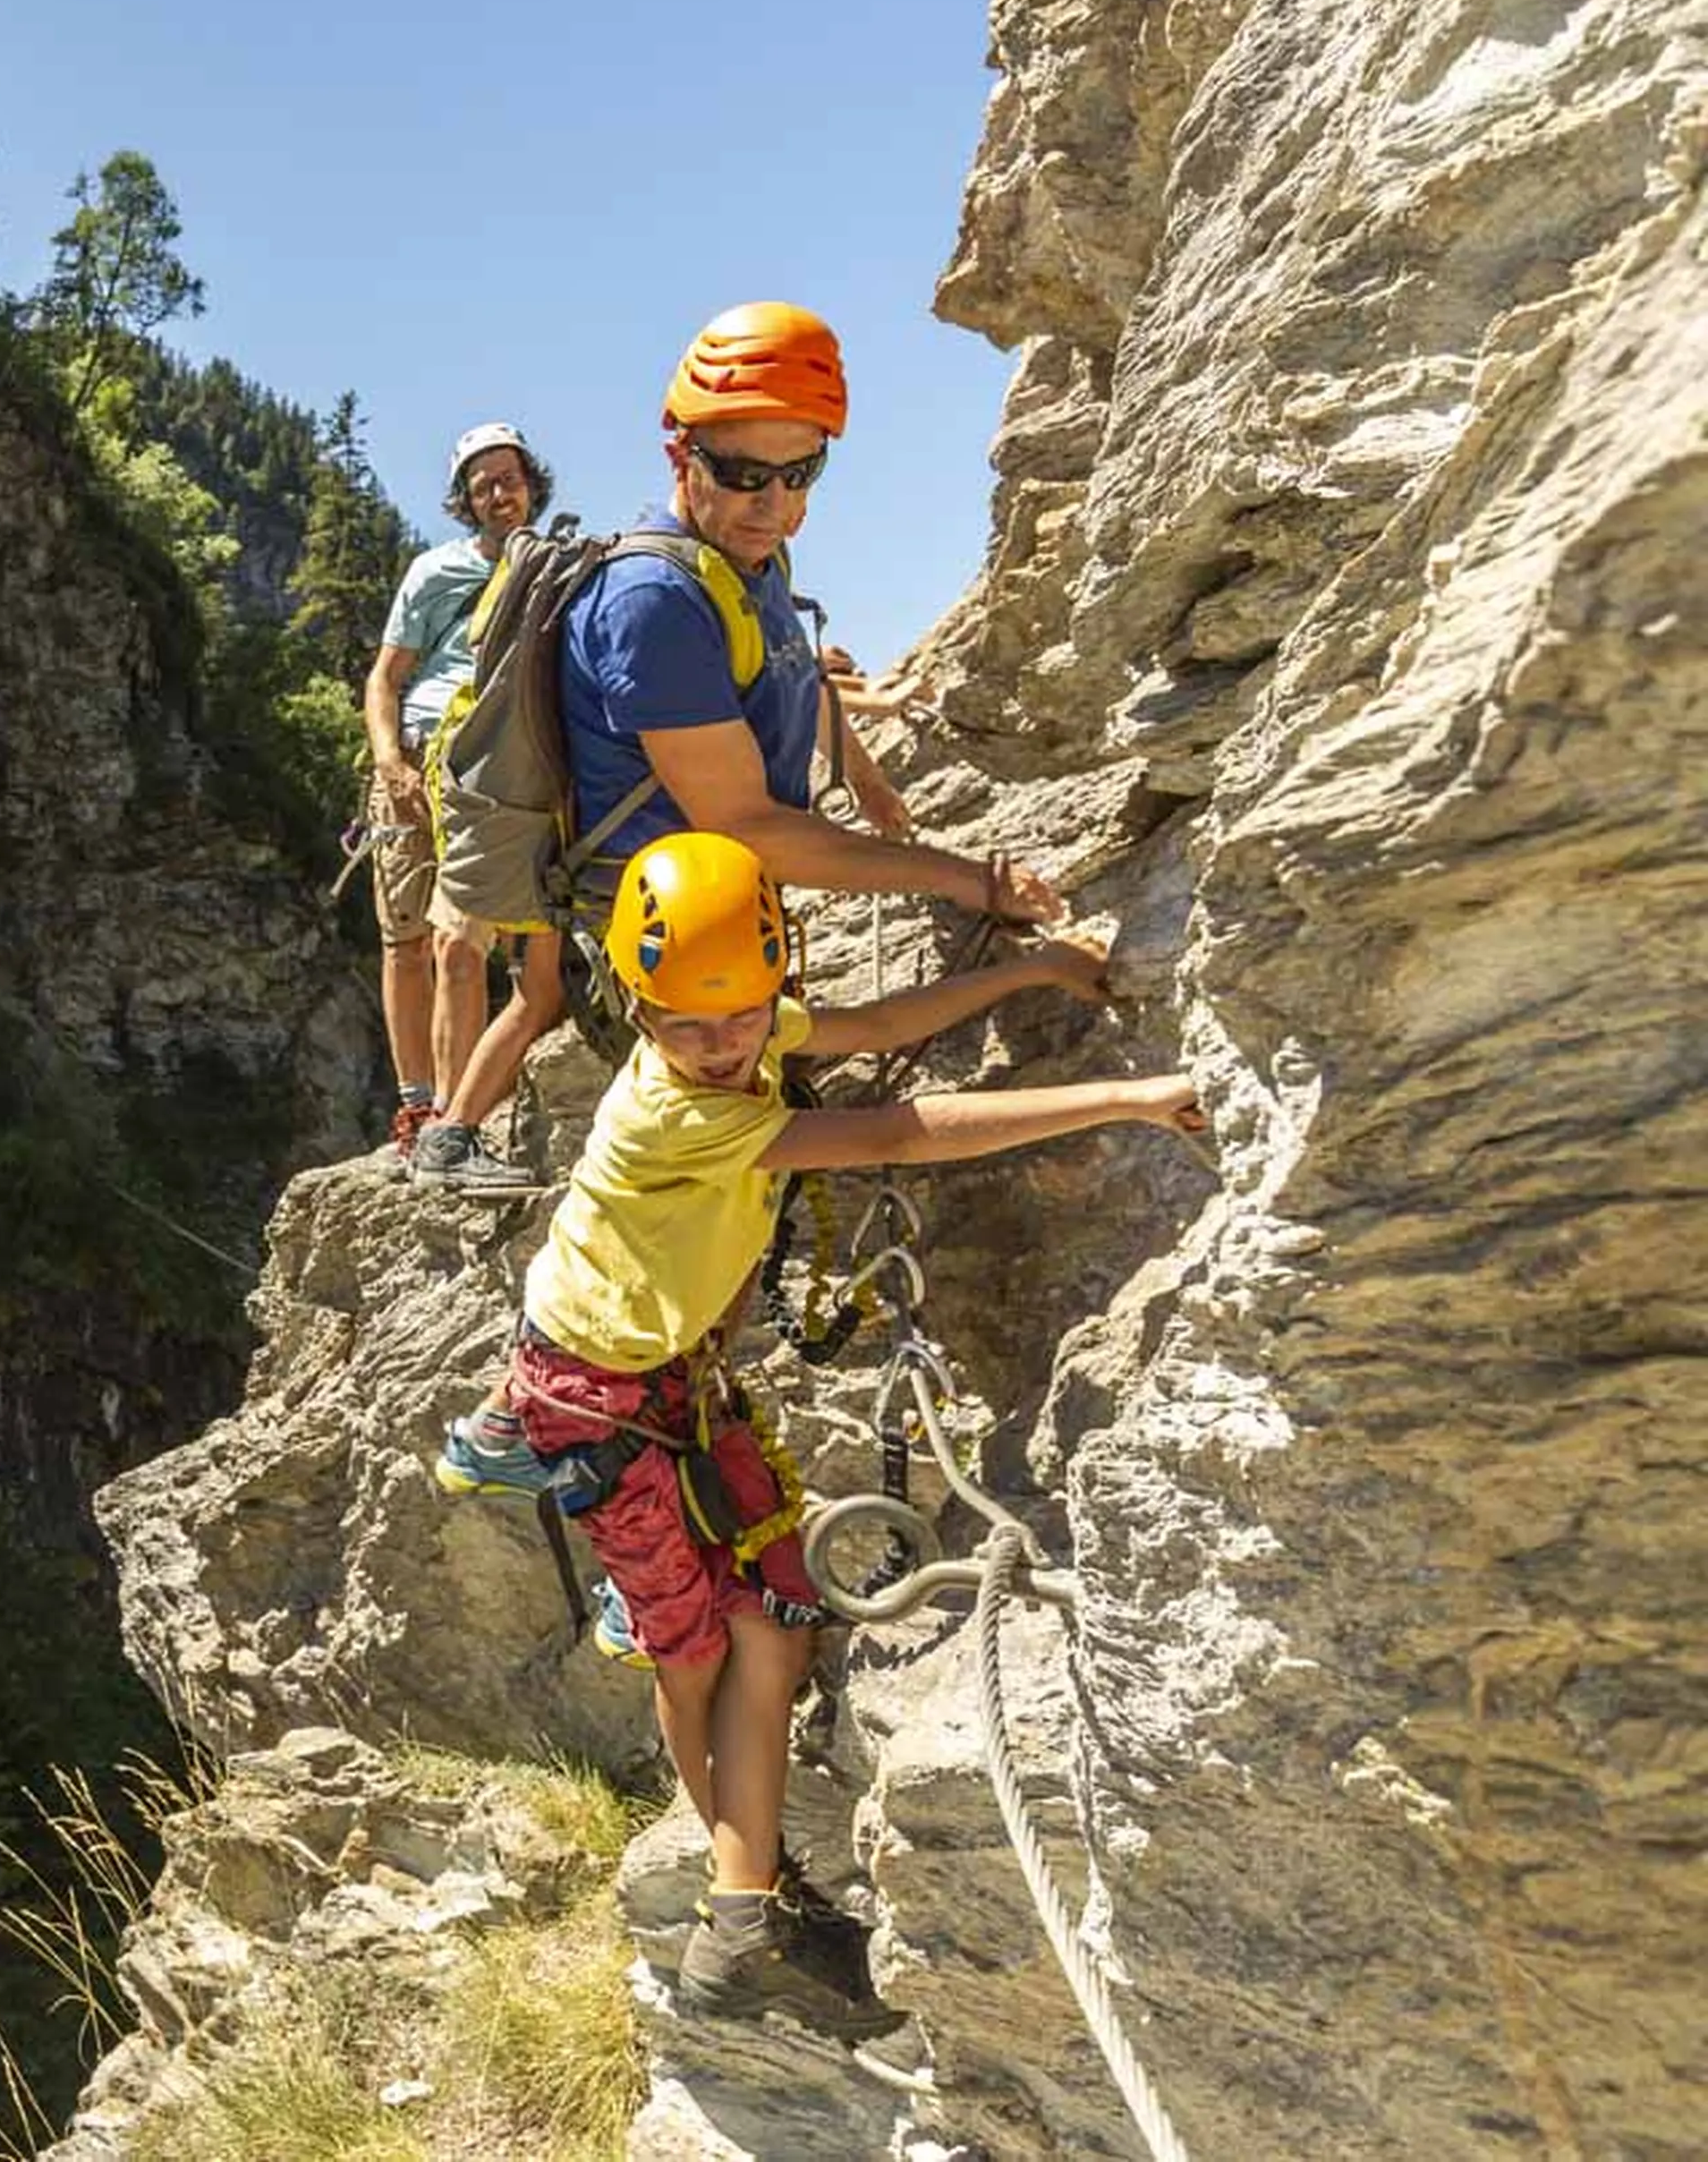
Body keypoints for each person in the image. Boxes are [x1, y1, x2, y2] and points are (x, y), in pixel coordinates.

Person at [434, 830, 1205, 2031]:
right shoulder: (673, 1112)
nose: (722, 1040)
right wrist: (1129, 1098)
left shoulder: (744, 1026)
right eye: (685, 1023)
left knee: (772, 1624)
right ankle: (747, 1921)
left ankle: (747, 1904)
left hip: (662, 1385)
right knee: (694, 1658)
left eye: (742, 1013)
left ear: (768, 982)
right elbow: (900, 1127)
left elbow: (882, 1026)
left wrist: (1035, 970)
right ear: (636, 1009)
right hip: (594, 1399)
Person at [408, 303, 1056, 1194]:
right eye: (748, 474)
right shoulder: (654, 603)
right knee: (749, 1185)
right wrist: (963, 879)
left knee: (775, 1169)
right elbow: (748, 824)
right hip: (672, 949)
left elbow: (791, 677)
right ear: (683, 455)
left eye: (803, 472)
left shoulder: (749, 563)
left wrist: (865, 781)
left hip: (719, 915)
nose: (778, 506)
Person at [361, 421, 555, 1176]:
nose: (499, 494)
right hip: (416, 759)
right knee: (405, 939)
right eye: (482, 487)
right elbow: (385, 677)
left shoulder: (553, 569)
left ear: (531, 483)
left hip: (498, 771)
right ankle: (418, 1107)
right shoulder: (435, 572)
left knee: (465, 944)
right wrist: (388, 764)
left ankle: (457, 1116)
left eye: (509, 479)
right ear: (465, 504)